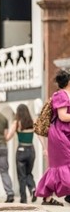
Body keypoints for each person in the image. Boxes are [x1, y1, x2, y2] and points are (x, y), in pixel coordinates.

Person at [35, 69, 70, 206]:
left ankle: (48, 197)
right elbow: (63, 116)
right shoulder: (61, 95)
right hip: (60, 134)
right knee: (62, 164)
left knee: (60, 166)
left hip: (66, 133)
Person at [6, 104, 37, 203]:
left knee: (21, 175)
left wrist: (3, 139)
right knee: (28, 173)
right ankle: (33, 188)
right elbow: (40, 134)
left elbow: (9, 136)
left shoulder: (17, 123)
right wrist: (45, 148)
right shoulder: (33, 122)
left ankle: (23, 198)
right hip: (31, 150)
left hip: (21, 150)